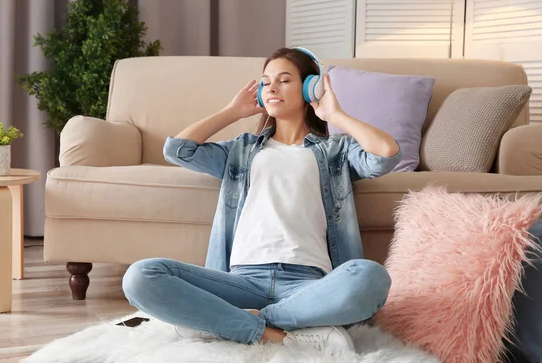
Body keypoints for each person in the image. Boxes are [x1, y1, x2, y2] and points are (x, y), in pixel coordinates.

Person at [122, 47, 402, 352]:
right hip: (241, 281)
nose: (271, 87)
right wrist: (232, 112)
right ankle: (269, 332)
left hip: (308, 287)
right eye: (266, 81)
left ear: (310, 88)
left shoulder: (334, 151)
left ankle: (229, 323)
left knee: (371, 277)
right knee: (140, 276)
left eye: (284, 80)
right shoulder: (242, 150)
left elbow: (385, 153)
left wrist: (336, 116)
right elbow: (178, 149)